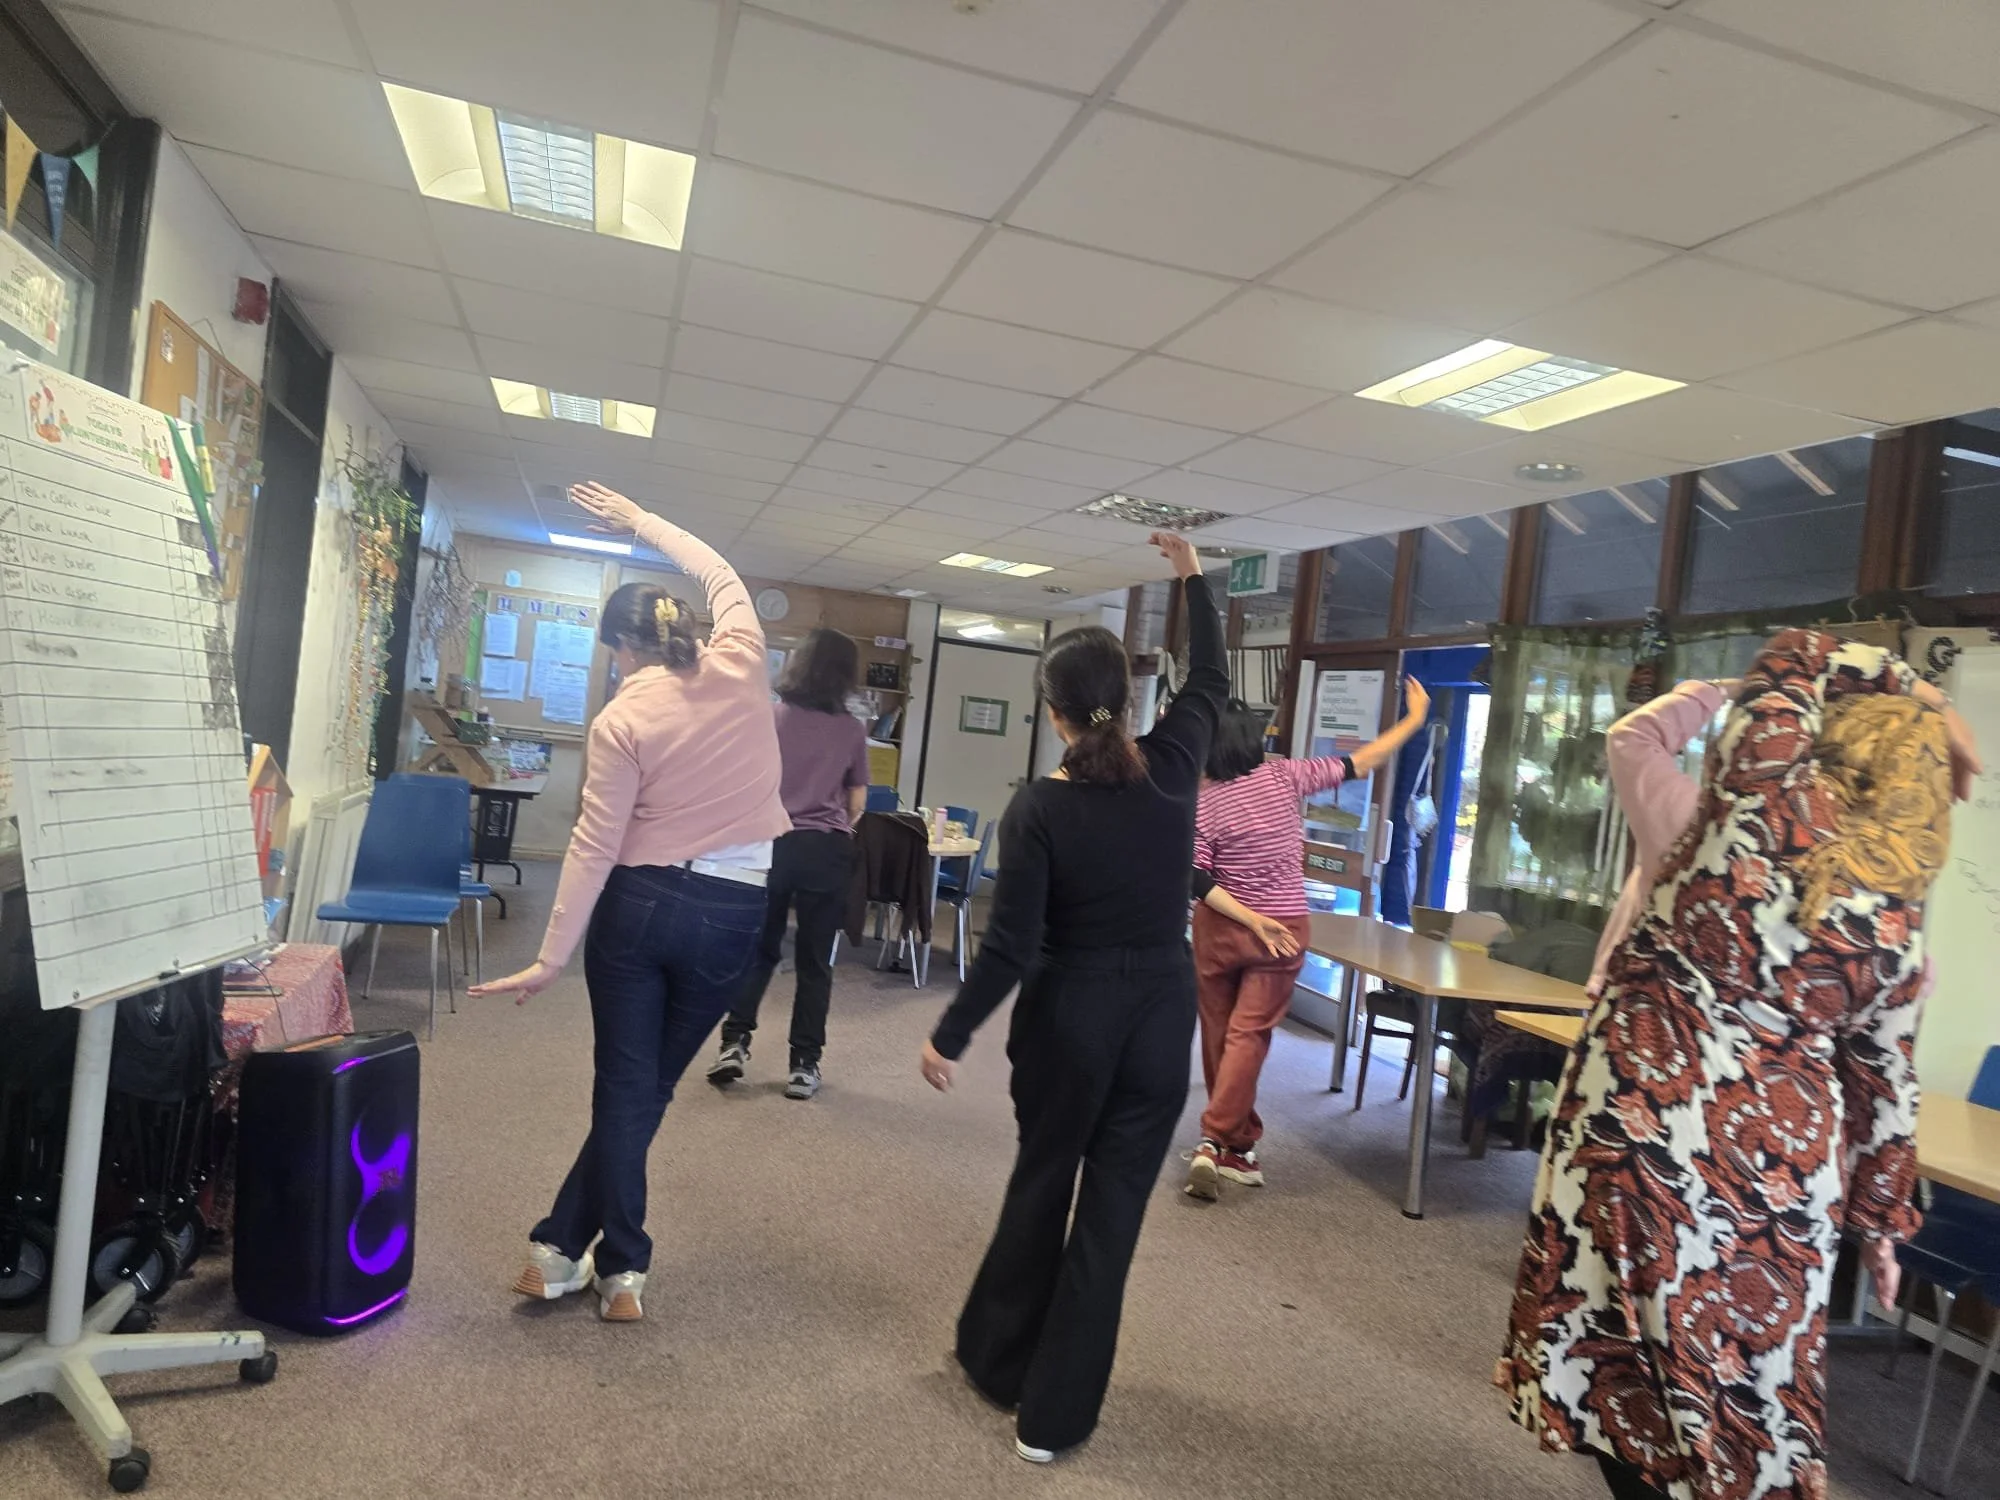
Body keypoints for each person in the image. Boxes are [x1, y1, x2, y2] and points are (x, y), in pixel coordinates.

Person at [1497, 629, 1980, 1500]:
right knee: (1740, 1399)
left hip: (1646, 1129)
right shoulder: (1898, 934)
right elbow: (1885, 1082)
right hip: (1781, 1184)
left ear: (1822, 746)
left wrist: (1925, 693)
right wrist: (1880, 1229)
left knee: (1627, 1365)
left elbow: (1794, 654)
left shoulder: (1747, 822)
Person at [918, 531, 1225, 1464]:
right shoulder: (1174, 767)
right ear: (1127, 702)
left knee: (1043, 1183)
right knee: (1113, 1218)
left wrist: (952, 1032)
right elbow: (1211, 676)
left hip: (1070, 1018)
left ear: (1052, 713)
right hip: (1161, 1017)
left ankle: (997, 1360)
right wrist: (1192, 575)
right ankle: (1052, 1421)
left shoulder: (1038, 806)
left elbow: (1011, 948)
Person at [469, 482, 790, 1324]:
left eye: (612, 652)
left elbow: (591, 843)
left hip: (641, 907)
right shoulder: (744, 654)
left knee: (625, 1088)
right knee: (645, 1091)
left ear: (623, 645)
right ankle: (600, 1266)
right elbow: (716, 567)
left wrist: (551, 955)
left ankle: (593, 1256)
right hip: (734, 911)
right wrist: (641, 521)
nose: (612, 666)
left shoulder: (621, 717)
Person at [1183, 684, 1429, 1200]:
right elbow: (1365, 760)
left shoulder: (1201, 803)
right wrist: (1414, 719)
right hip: (1281, 929)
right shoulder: (1284, 775)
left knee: (1219, 1035)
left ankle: (1223, 1142)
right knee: (1248, 1037)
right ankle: (1226, 1141)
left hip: (1221, 930)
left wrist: (1245, 917)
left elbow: (1195, 878)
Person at [708, 628, 869, 1100]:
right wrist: (836, 816)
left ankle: (734, 1042)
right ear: (845, 674)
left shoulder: (769, 718)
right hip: (824, 848)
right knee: (815, 962)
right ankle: (803, 1065)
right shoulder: (851, 729)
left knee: (759, 951)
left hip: (769, 844)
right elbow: (857, 799)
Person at [1584, 678, 1736, 998]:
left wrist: (1722, 689)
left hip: (1645, 1006)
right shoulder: (1848, 861)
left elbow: (1632, 736)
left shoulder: (1697, 821)